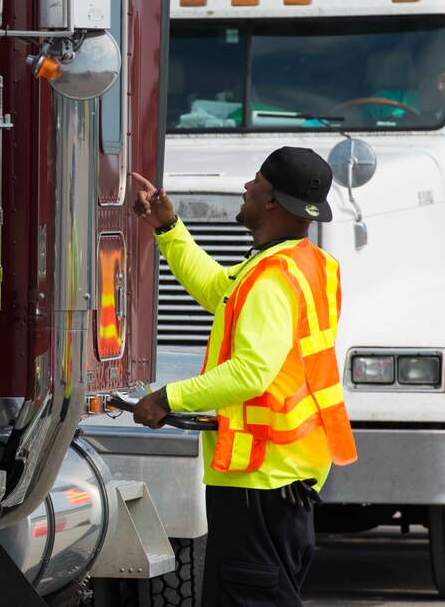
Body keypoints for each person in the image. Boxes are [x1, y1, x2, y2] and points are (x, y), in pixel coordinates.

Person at [129, 147, 357, 606]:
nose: (247, 187)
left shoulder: (273, 279)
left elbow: (252, 373)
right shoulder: (300, 264)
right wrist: (169, 230)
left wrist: (168, 398)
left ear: (272, 200)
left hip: (261, 481)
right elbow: (217, 290)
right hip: (283, 480)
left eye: (256, 181)